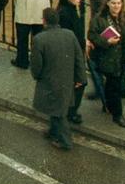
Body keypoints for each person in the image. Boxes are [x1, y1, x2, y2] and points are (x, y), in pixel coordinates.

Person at [31, 8, 88, 151]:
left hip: (49, 79)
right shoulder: (70, 34)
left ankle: (65, 141)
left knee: (57, 111)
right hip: (67, 78)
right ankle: (53, 131)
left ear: (44, 21)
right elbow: (78, 57)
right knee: (58, 107)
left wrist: (36, 76)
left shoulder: (39, 39)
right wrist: (81, 77)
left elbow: (37, 65)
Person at [87, 0, 125, 128]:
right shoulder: (99, 19)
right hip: (107, 58)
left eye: (119, 3)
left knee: (112, 84)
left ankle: (109, 106)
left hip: (122, 58)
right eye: (113, 3)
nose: (116, 6)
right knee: (114, 85)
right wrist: (107, 41)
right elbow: (92, 36)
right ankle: (118, 115)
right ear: (108, 4)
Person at [56, 0, 87, 125]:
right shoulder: (65, 14)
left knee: (77, 82)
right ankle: (71, 111)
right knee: (79, 82)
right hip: (71, 53)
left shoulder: (74, 10)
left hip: (77, 51)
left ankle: (70, 109)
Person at [80, 0, 108, 101]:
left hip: (99, 34)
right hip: (101, 33)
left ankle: (99, 90)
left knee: (93, 61)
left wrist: (94, 37)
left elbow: (101, 17)